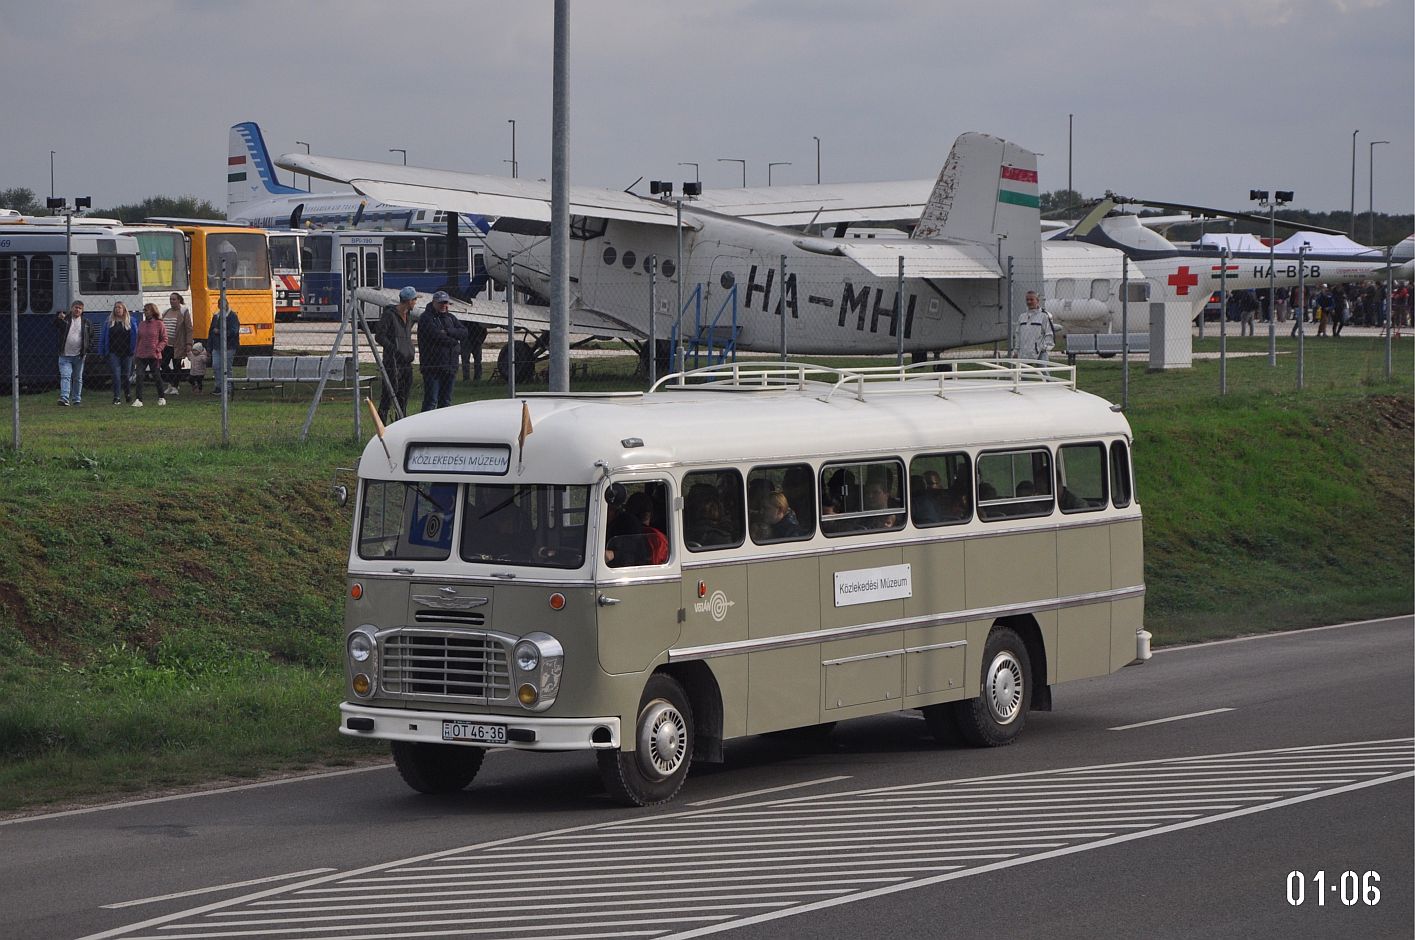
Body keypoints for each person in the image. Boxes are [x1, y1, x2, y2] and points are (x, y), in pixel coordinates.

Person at [416, 290, 467, 411]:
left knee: (446, 401)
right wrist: (454, 341)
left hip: (450, 366)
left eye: (446, 303)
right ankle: (425, 426)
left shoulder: (451, 318)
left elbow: (464, 332)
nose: (444, 305)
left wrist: (449, 332)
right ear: (433, 302)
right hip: (432, 367)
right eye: (441, 303)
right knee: (431, 401)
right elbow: (435, 336)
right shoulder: (426, 318)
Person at [375, 286, 417, 422]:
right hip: (392, 361)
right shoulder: (389, 315)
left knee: (404, 396)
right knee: (388, 394)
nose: (416, 302)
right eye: (414, 299)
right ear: (408, 300)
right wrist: (394, 349)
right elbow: (379, 336)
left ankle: (401, 420)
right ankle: (382, 422)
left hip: (406, 361)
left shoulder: (409, 316)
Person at [132, 303, 169, 407]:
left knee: (156, 376)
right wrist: (135, 353)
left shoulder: (159, 324)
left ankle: (161, 397)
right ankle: (139, 399)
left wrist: (158, 349)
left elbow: (164, 339)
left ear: (153, 311)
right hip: (141, 354)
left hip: (154, 355)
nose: (145, 312)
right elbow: (138, 339)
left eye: (147, 310)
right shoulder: (141, 324)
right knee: (139, 376)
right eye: (144, 310)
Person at [98, 302, 135, 405]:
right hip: (113, 352)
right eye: (116, 308)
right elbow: (103, 338)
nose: (117, 309)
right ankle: (117, 397)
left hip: (127, 352)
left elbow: (135, 336)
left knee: (126, 375)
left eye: (120, 307)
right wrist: (102, 351)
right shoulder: (109, 322)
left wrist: (134, 350)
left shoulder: (130, 322)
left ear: (124, 309)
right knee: (116, 375)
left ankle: (127, 394)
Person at [55, 300, 90, 407]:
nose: (77, 310)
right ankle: (64, 398)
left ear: (82, 310)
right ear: (71, 308)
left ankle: (76, 399)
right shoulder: (65, 320)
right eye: (75, 307)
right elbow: (55, 325)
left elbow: (90, 337)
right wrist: (59, 319)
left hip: (79, 355)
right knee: (65, 376)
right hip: (65, 355)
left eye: (80, 308)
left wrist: (86, 349)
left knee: (78, 378)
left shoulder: (86, 323)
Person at [161, 293, 193, 395]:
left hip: (178, 344)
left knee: (176, 365)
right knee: (163, 363)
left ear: (179, 300)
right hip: (166, 344)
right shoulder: (166, 312)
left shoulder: (183, 312)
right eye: (170, 299)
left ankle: (175, 386)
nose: (172, 301)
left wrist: (188, 343)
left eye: (174, 299)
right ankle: (171, 382)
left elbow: (189, 329)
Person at [207, 303, 241, 392]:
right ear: (218, 305)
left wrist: (220, 331)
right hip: (217, 346)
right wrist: (209, 347)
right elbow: (211, 332)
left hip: (229, 346)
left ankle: (228, 387)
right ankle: (219, 386)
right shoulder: (216, 316)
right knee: (216, 366)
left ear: (227, 305)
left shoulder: (232, 316)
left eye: (225, 304)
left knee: (227, 367)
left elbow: (234, 331)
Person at [1015, 290, 1055, 360]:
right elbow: (1018, 334)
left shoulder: (1044, 316)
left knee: (1042, 371)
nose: (1029, 302)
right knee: (1023, 371)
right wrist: (1016, 350)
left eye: (1031, 299)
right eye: (1027, 300)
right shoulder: (1022, 317)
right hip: (1024, 353)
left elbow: (1049, 334)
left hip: (1040, 353)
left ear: (1037, 300)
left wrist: (1042, 348)